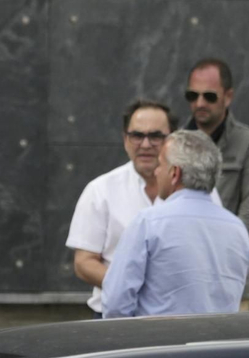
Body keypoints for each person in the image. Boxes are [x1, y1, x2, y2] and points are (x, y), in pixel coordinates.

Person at [68, 99, 217, 315]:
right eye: (137, 135)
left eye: (156, 136)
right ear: (125, 139)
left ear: (172, 140)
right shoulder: (100, 190)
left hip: (184, 317)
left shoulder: (202, 190)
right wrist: (136, 289)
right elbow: (84, 263)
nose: (145, 144)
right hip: (115, 318)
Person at [100, 129, 249, 318]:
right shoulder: (238, 229)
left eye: (161, 164)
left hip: (159, 345)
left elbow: (116, 303)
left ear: (175, 173)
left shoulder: (148, 223)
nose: (156, 171)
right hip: (218, 344)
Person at [184, 57, 249, 310]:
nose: (199, 103)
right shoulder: (175, 143)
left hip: (231, 280)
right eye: (192, 95)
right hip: (180, 279)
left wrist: (210, 252)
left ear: (228, 96)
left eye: (209, 96)